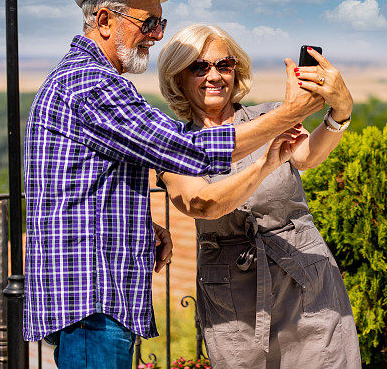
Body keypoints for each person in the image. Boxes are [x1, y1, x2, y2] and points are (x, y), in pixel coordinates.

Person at [22, 0, 323, 369]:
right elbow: (190, 149)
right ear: (104, 21)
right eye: (147, 23)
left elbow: (76, 187)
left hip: (91, 294)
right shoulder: (92, 83)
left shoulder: (79, 79)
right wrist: (288, 115)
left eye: (159, 23)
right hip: (93, 297)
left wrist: (137, 228)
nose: (156, 35)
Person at [155, 24, 362, 368]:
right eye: (199, 66)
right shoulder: (171, 144)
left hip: (306, 281)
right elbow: (201, 203)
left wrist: (339, 114)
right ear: (178, 78)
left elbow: (307, 155)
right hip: (233, 303)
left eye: (224, 65)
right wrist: (266, 164)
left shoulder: (267, 117)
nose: (215, 76)